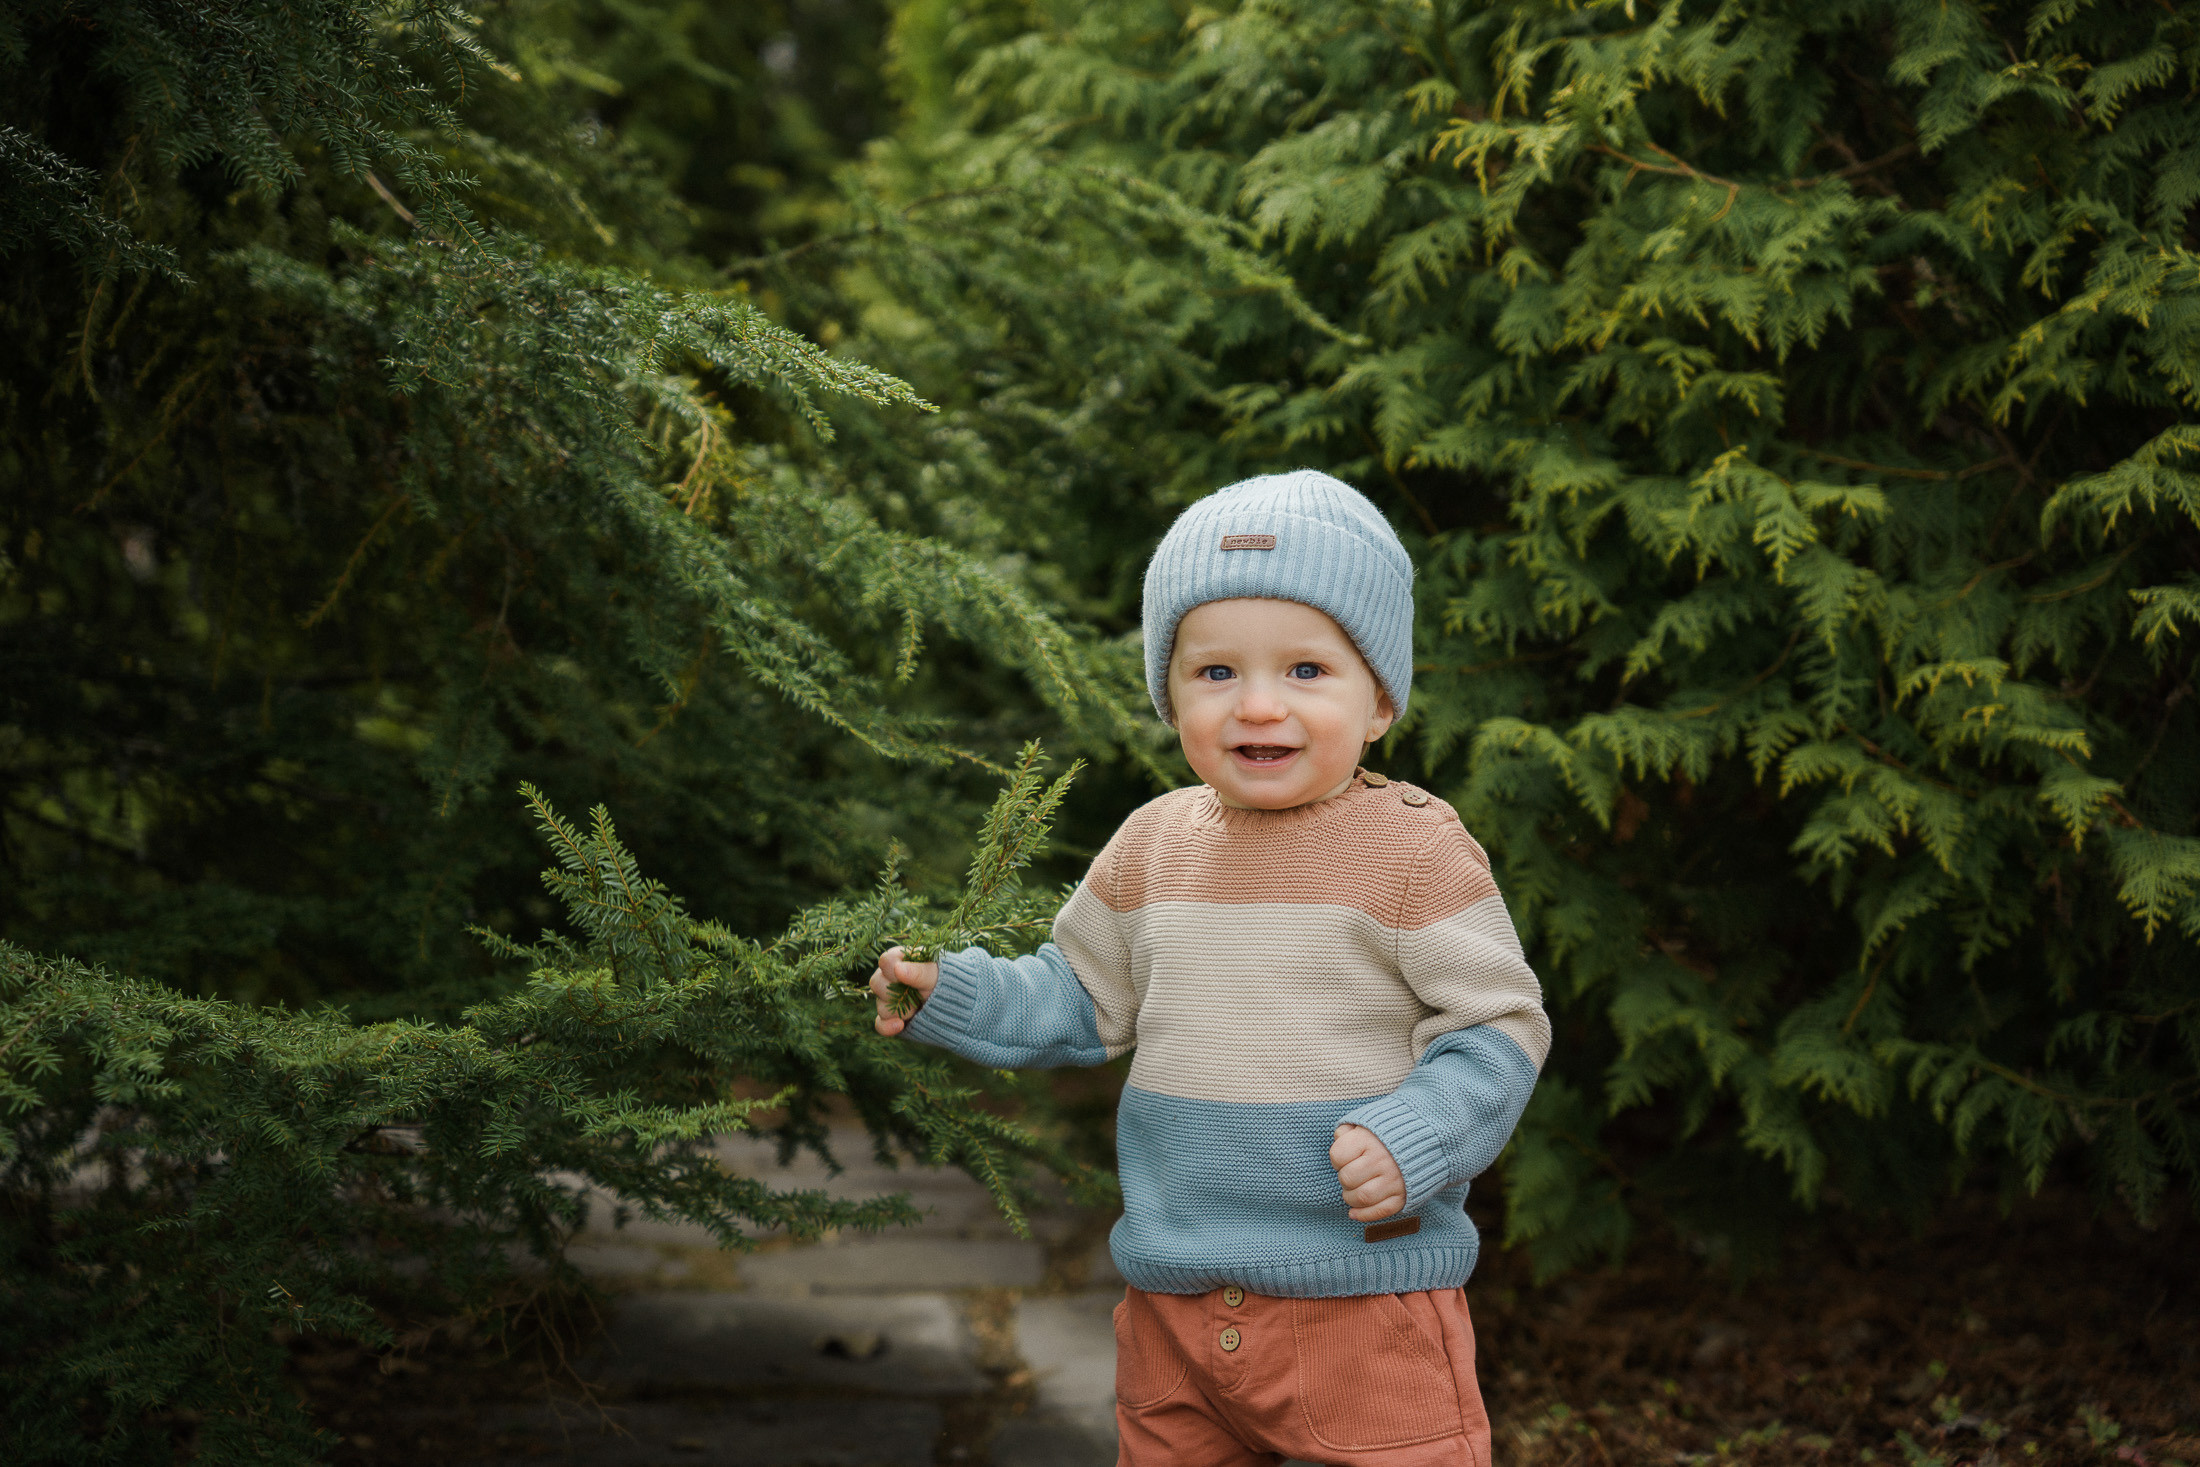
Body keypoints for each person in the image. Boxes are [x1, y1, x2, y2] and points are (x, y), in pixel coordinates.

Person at [869, 469, 1548, 1467]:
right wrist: (957, 992)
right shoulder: (1153, 845)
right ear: (1169, 689)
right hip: (1175, 1314)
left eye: (1307, 671)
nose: (1258, 706)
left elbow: (1498, 1025)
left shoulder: (1414, 850)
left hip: (1363, 1312)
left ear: (1379, 703)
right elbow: (1081, 994)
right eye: (1216, 672)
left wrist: (1421, 1137)